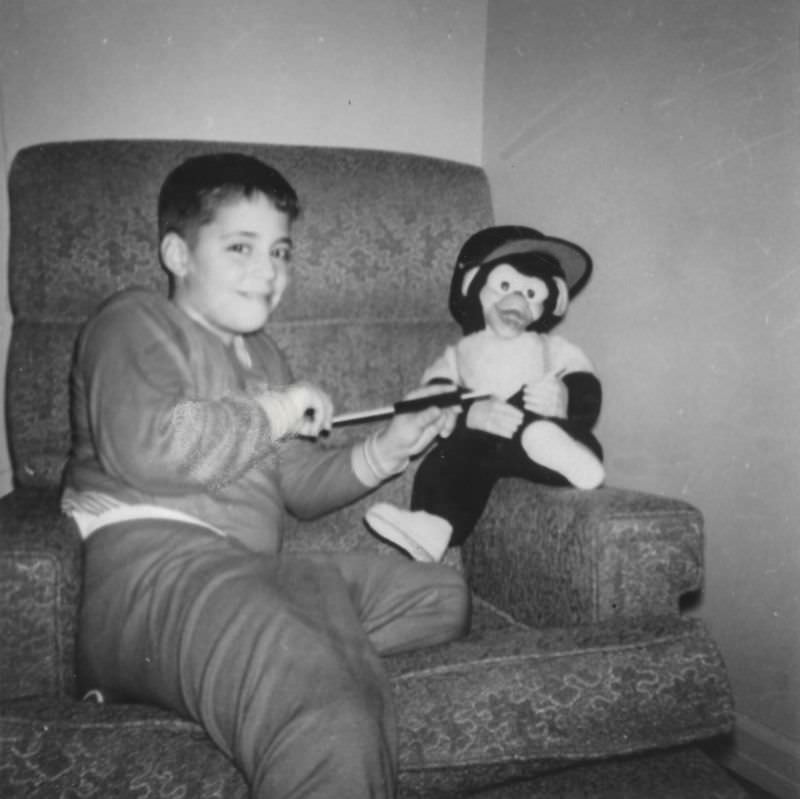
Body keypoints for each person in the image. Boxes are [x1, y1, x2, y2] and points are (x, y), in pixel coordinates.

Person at [61, 152, 470, 798]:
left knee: (440, 596)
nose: (269, 271)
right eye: (241, 248)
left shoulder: (266, 356)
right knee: (331, 705)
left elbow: (300, 488)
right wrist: (275, 411)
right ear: (177, 253)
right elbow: (147, 445)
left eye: (280, 252)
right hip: (155, 571)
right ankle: (307, 688)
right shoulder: (134, 319)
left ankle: (282, 660)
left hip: (254, 577)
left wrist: (391, 447)